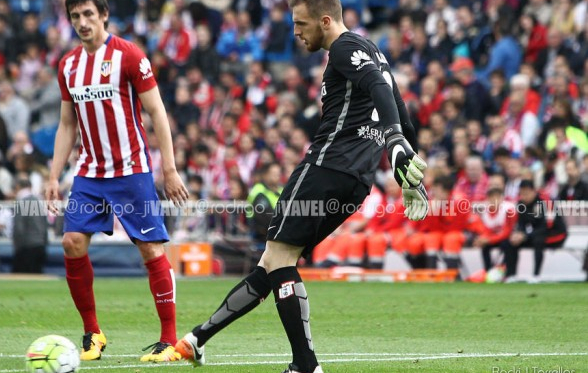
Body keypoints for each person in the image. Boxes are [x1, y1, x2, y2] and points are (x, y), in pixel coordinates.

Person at [174, 0, 429, 372]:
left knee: (278, 260)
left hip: (325, 169)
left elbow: (379, 90)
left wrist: (395, 143)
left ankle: (305, 365)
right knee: (274, 264)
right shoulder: (372, 51)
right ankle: (196, 339)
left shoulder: (343, 47)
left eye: (301, 23)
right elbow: (398, 107)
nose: (295, 31)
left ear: (325, 21)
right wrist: (406, 162)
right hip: (356, 182)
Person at [44, 0, 188, 363]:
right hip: (90, 172)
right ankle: (93, 333)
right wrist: (53, 175)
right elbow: (66, 124)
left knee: (150, 250)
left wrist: (168, 168)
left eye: (88, 14)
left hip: (132, 169)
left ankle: (168, 339)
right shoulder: (68, 66)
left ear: (104, 15)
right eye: (75, 16)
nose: (82, 22)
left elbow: (156, 110)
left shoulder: (128, 55)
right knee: (72, 242)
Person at [505, 180, 568, 283]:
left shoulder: (545, 202)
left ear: (533, 191)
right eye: (521, 194)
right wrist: (518, 234)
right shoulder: (521, 204)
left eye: (526, 193)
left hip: (555, 234)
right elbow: (521, 223)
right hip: (536, 233)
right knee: (510, 243)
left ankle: (536, 275)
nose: (524, 196)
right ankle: (511, 275)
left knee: (538, 241)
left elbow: (546, 226)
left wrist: (525, 235)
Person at [12, 176, 48, 274]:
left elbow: (19, 228)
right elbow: (45, 226)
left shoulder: (21, 202)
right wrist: (44, 244)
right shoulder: (39, 202)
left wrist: (17, 247)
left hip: (26, 247)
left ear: (18, 187)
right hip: (40, 245)